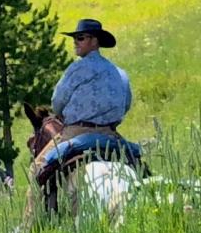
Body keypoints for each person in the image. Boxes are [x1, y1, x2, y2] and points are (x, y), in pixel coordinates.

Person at [32, 16, 132, 179]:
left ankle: (34, 204)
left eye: (80, 38)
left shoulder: (77, 68)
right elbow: (126, 105)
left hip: (76, 133)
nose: (75, 42)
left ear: (95, 41)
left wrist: (62, 114)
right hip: (110, 134)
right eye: (74, 39)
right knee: (137, 162)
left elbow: (57, 102)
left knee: (36, 170)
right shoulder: (121, 74)